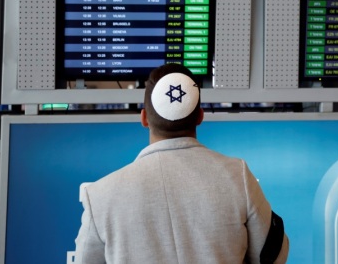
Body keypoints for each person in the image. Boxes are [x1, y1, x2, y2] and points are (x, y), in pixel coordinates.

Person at [74, 63, 289, 264]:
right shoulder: (236, 176)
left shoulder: (101, 196)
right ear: (200, 117)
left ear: (144, 119)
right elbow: (274, 255)